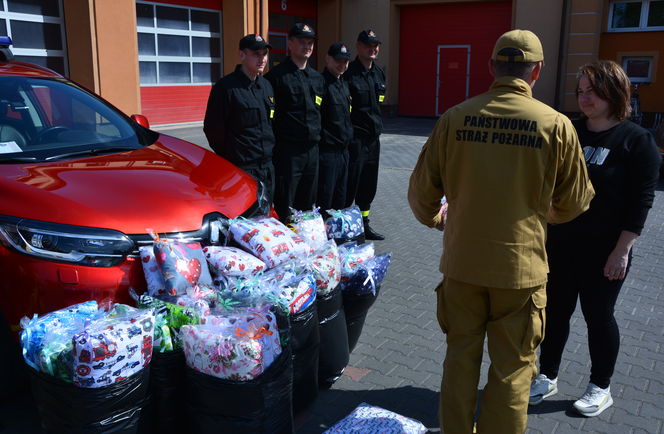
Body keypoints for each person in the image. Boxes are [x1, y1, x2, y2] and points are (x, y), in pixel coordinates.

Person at [407, 30, 595, 434]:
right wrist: (544, 217)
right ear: (537, 71)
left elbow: (422, 195)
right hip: (520, 272)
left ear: (492, 68)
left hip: (462, 266)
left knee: (460, 359)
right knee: (513, 372)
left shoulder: (455, 118)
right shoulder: (556, 126)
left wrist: (440, 219)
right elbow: (577, 201)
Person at [529, 60, 661, 417]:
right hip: (560, 242)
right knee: (555, 312)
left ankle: (600, 387)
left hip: (605, 249)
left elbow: (641, 201)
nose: (585, 98)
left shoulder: (637, 140)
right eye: (581, 92)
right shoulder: (569, 130)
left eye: (593, 91)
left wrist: (622, 250)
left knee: (598, 316)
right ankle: (548, 375)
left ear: (614, 91)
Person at [203, 34, 276, 202]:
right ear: (242, 55)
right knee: (244, 221)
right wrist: (233, 156)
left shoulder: (266, 86)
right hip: (242, 170)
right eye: (256, 54)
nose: (262, 58)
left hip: (267, 169)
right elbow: (213, 131)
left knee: (266, 220)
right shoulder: (226, 87)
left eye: (264, 54)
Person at [264, 23, 324, 222]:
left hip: (312, 152)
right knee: (285, 206)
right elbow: (267, 118)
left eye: (310, 43)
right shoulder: (275, 77)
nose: (307, 46)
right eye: (301, 42)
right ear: (290, 44)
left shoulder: (317, 78)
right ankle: (286, 248)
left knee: (308, 205)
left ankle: (305, 244)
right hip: (288, 153)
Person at [343, 29, 386, 240]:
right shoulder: (348, 73)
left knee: (369, 185)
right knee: (350, 184)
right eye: (368, 45)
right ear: (358, 46)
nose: (372, 49)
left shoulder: (379, 73)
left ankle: (363, 225)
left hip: (373, 140)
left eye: (375, 45)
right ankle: (343, 227)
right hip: (355, 140)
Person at [317, 42, 353, 216]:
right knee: (325, 198)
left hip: (344, 152)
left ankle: (336, 237)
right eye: (338, 60)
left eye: (346, 61)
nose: (342, 65)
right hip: (328, 153)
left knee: (340, 197)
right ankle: (323, 235)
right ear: (328, 58)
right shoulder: (321, 84)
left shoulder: (344, 84)